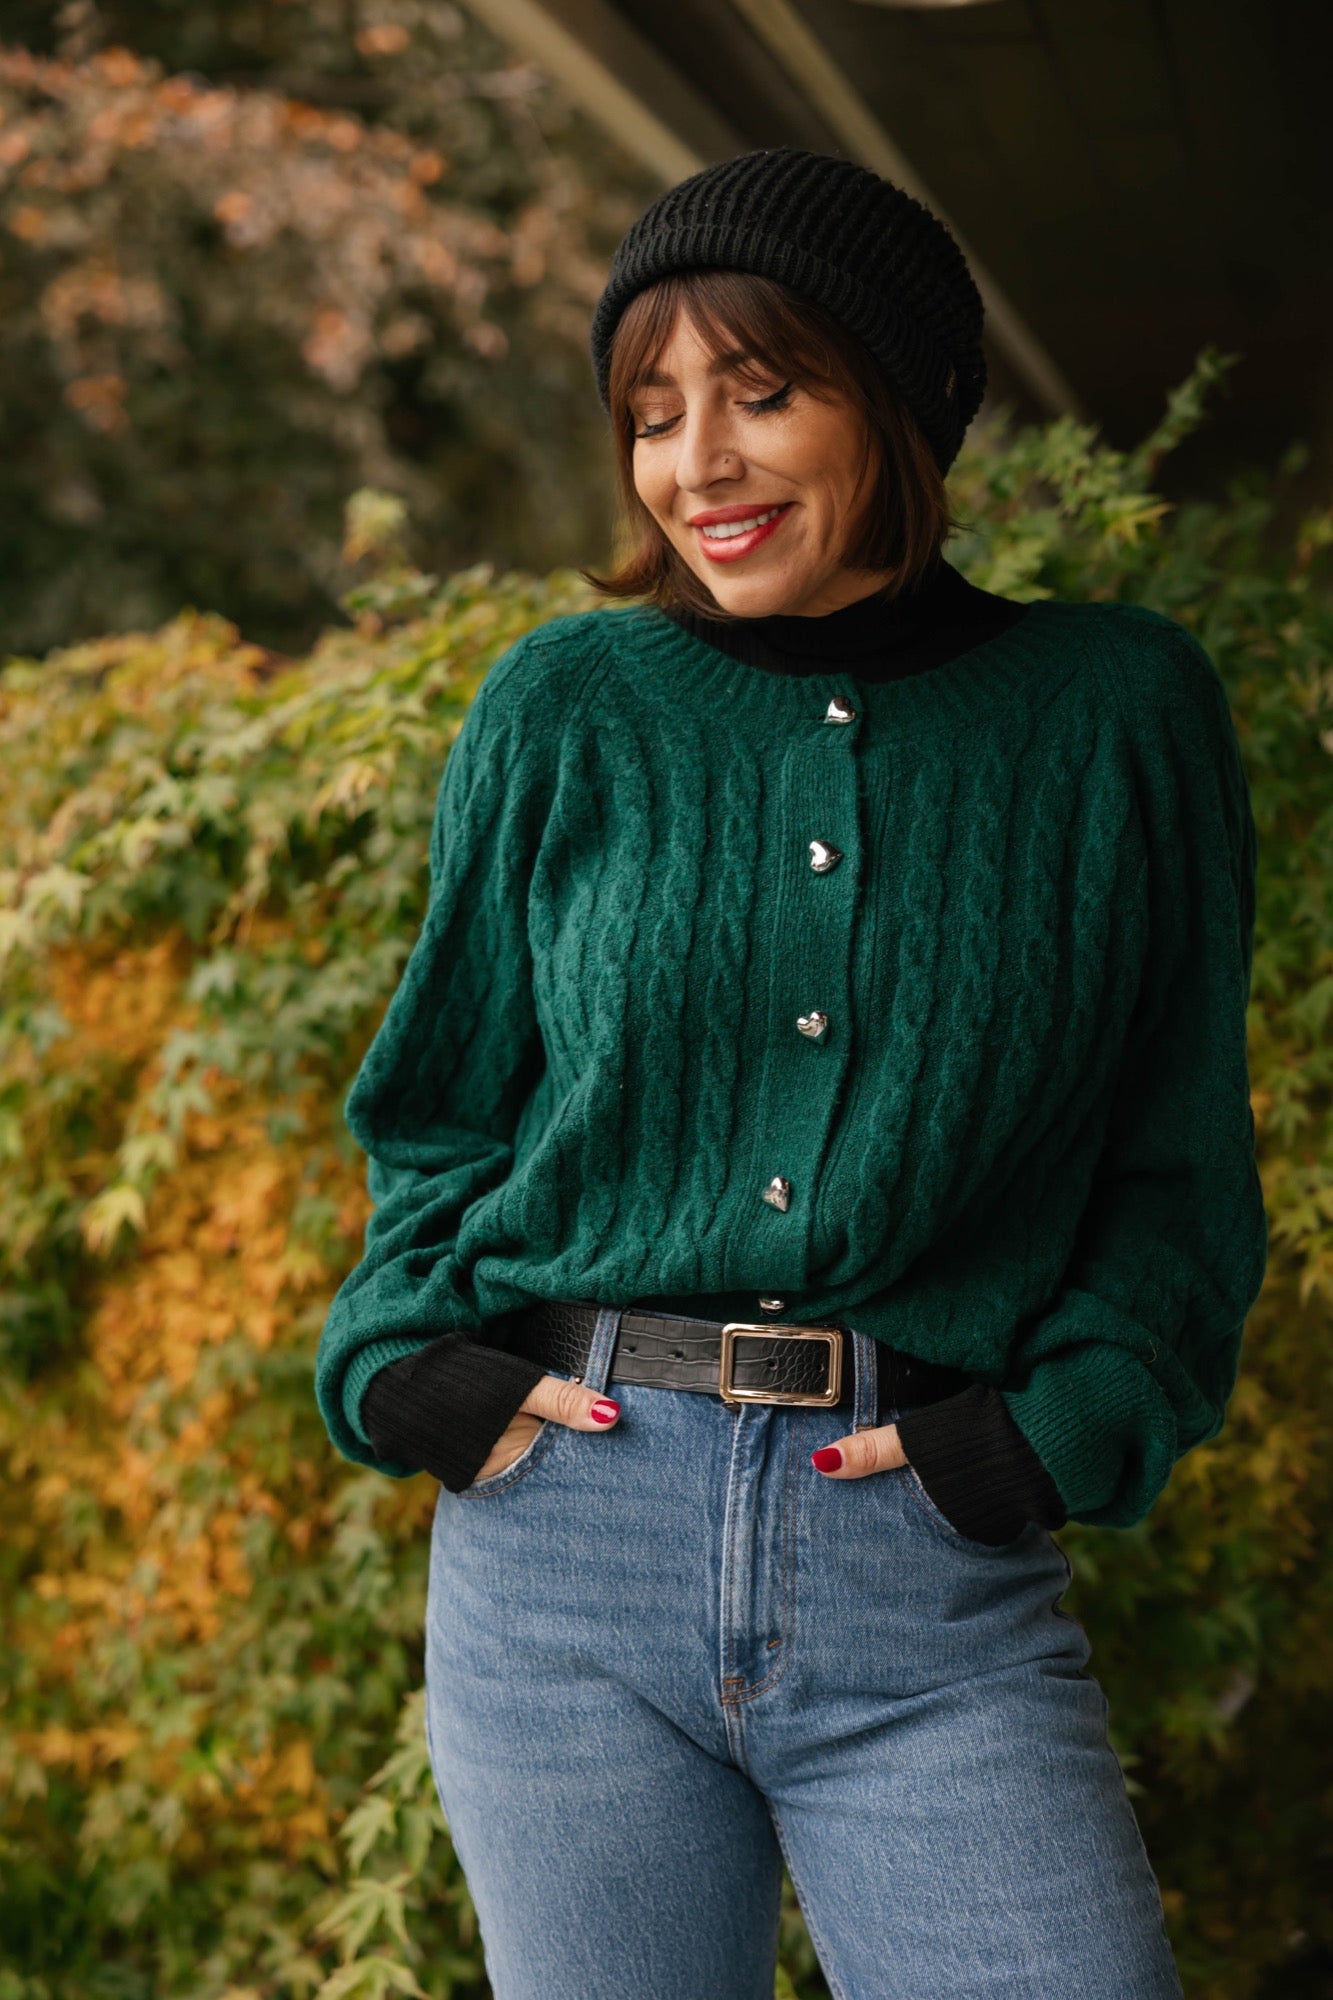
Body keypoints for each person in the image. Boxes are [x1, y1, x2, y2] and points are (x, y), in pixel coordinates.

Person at [314, 147, 1268, 1999]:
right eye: (653, 413)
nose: (698, 465)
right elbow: (436, 1107)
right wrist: (405, 1360)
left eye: (764, 393)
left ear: (899, 406)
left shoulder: (1114, 715)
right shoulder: (562, 708)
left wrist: (1059, 1429)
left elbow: (1171, 1169)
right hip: (559, 1561)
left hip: (924, 1571)